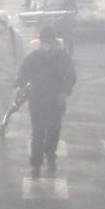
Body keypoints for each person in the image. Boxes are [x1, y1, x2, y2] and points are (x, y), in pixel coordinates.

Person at [15, 25, 76, 179]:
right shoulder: (33, 57)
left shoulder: (62, 57)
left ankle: (50, 154)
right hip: (37, 99)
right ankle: (36, 162)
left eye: (49, 41)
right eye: (44, 41)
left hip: (55, 99)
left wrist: (64, 91)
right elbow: (23, 73)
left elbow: (70, 76)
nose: (46, 44)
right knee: (38, 131)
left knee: (53, 130)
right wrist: (20, 86)